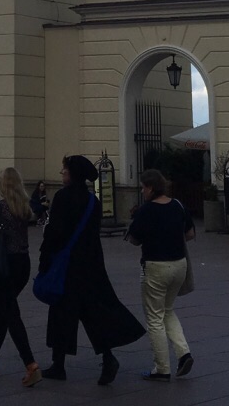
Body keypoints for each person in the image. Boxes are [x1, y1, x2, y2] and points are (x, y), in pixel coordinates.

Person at [38, 154, 142, 385]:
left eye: (64, 170)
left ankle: (58, 365)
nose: (61, 174)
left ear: (72, 174)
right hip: (90, 264)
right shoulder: (92, 201)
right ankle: (107, 358)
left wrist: (44, 262)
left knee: (61, 314)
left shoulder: (63, 197)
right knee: (93, 314)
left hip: (67, 267)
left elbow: (54, 234)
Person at [125, 168, 195, 381]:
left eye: (144, 187)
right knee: (167, 310)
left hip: (155, 266)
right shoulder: (178, 205)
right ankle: (184, 354)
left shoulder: (146, 211)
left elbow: (134, 239)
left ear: (151, 188)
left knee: (154, 317)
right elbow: (190, 233)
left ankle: (162, 368)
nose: (142, 191)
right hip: (179, 265)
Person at [0, 167, 42, 387]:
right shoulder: (24, 207)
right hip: (22, 264)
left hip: (3, 265)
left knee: (10, 314)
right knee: (2, 310)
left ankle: (30, 364)